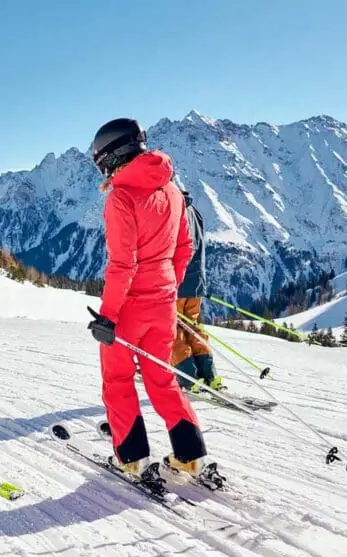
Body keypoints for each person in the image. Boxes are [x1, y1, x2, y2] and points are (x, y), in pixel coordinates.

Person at [86, 118, 207, 478]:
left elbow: (122, 263)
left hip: (129, 308)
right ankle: (190, 455)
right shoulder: (171, 190)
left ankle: (132, 458)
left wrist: (107, 316)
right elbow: (184, 248)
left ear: (111, 155)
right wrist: (167, 287)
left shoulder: (121, 197)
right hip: (163, 304)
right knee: (162, 379)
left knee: (119, 381)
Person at [171, 188, 224, 392]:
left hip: (177, 283)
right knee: (193, 328)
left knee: (173, 331)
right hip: (196, 284)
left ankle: (188, 378)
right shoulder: (195, 210)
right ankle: (209, 374)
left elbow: (177, 248)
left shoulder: (175, 212)